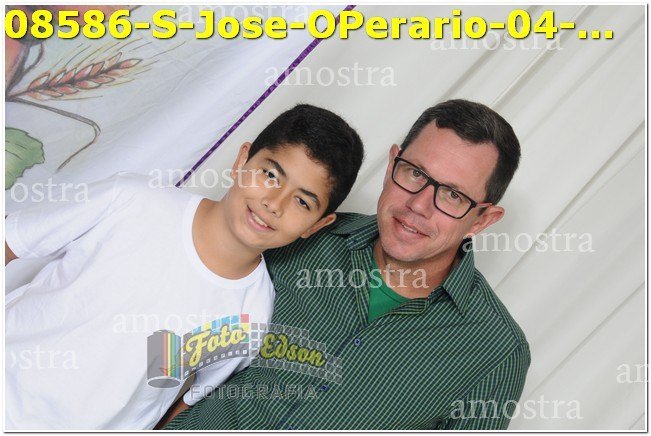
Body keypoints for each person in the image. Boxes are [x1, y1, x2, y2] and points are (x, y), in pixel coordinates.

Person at [164, 99, 530, 430]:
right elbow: (180, 335)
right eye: (415, 173)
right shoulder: (301, 231)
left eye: (452, 195)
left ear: (483, 220)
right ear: (392, 164)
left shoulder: (498, 351)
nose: (418, 205)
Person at [4, 104, 364, 430]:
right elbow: (12, 242)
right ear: (242, 160)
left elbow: (185, 401)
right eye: (270, 175)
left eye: (302, 202)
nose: (274, 203)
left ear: (317, 225)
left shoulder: (251, 316)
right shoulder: (132, 199)